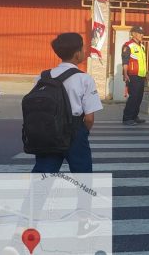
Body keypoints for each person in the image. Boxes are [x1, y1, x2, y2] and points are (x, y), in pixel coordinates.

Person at [32, 33, 103, 173]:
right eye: (83, 49)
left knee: (43, 173)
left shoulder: (42, 76)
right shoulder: (85, 79)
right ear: (77, 54)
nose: (84, 52)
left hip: (47, 130)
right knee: (82, 175)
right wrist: (82, 132)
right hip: (74, 130)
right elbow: (89, 118)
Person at [122, 26, 147, 126]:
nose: (142, 35)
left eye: (142, 33)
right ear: (133, 34)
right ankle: (127, 118)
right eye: (139, 33)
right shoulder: (128, 46)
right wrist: (125, 74)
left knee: (139, 97)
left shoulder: (142, 46)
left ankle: (134, 116)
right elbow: (125, 61)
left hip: (141, 75)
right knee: (133, 97)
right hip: (133, 75)